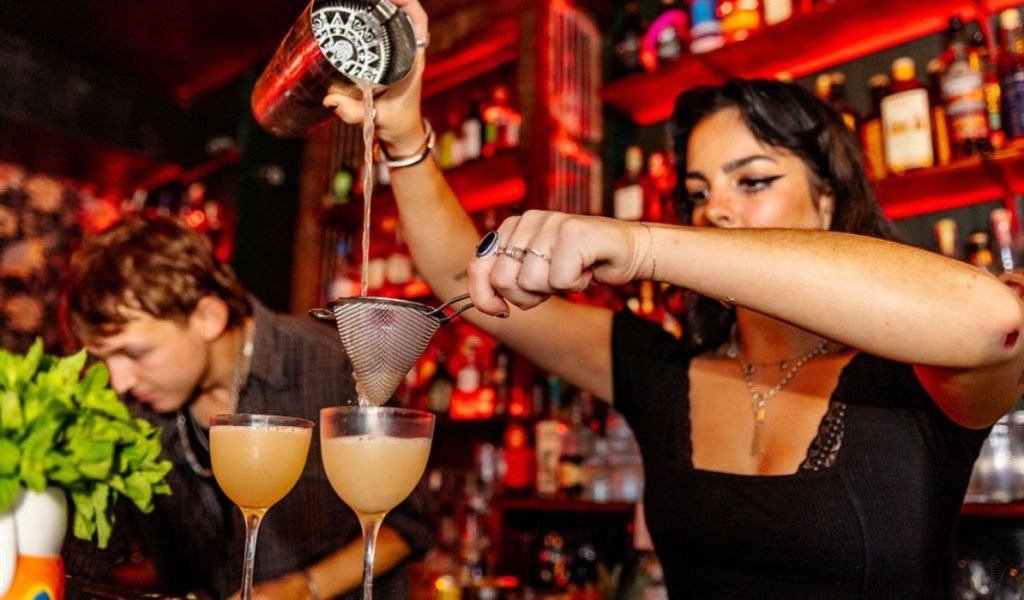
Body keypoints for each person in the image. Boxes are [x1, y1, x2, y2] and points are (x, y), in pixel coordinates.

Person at [325, 3, 1024, 596]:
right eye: (697, 193)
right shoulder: (660, 370)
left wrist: (639, 246)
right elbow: (462, 279)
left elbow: (996, 321)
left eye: (752, 181)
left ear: (829, 200)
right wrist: (404, 133)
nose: (715, 209)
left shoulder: (916, 379)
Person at [59, 216, 433, 599]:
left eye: (135, 353)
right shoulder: (127, 405)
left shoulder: (331, 366)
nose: (119, 380)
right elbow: (85, 555)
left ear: (208, 318)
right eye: (105, 358)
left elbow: (410, 525)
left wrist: (302, 589)